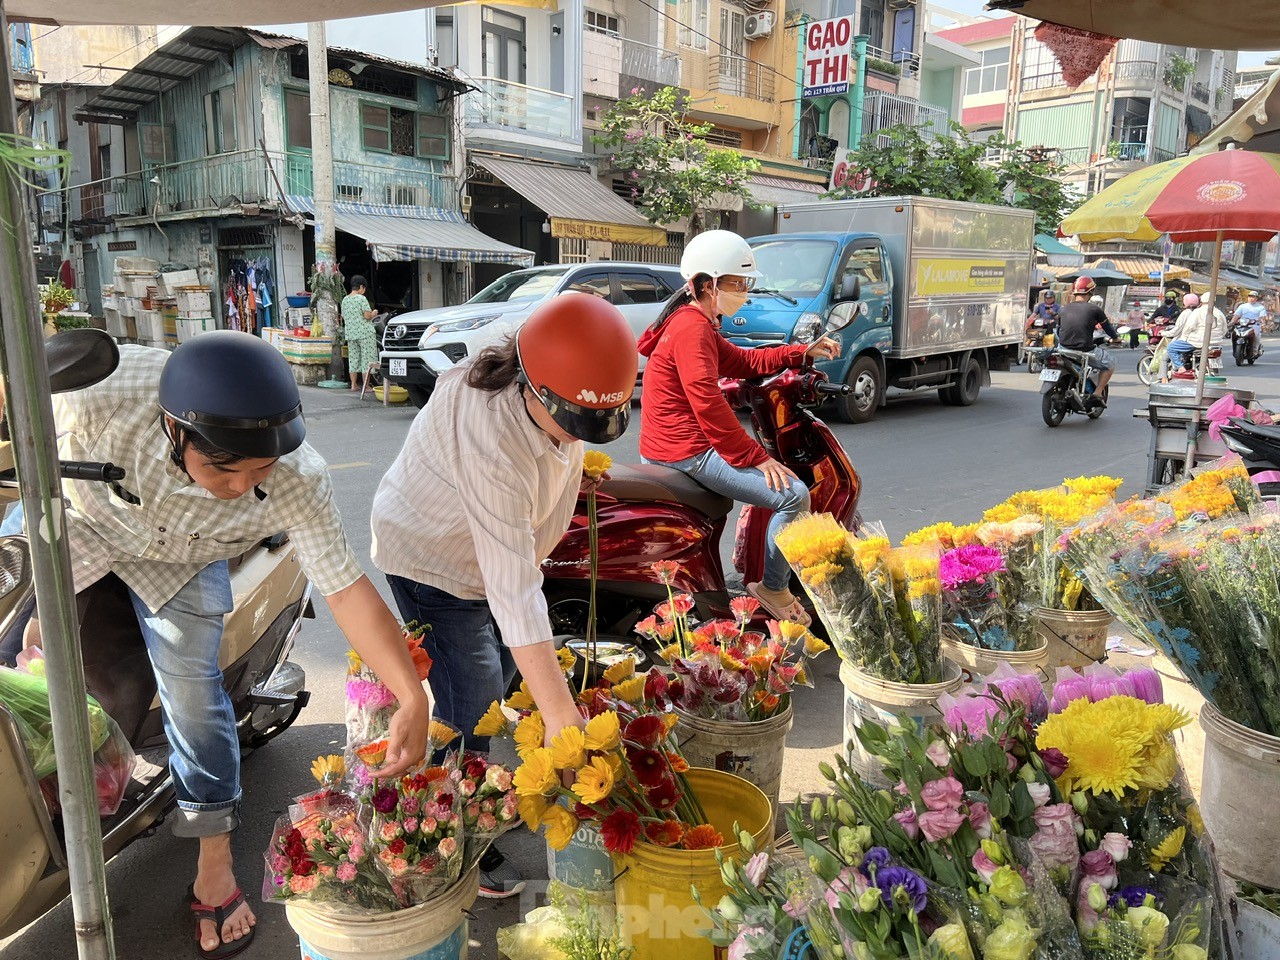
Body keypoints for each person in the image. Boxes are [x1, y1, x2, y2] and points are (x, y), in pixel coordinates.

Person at [1, 332, 430, 959]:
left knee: (193, 700)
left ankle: (215, 864)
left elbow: (343, 586)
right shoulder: (101, 396)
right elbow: (22, 400)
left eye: (260, 471)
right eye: (223, 469)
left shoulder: (298, 477)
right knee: (16, 656)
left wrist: (410, 694)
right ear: (175, 433)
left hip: (183, 561)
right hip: (86, 526)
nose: (241, 488)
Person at [370, 293, 637, 899]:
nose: (576, 438)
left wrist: (573, 458)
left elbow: (518, 576)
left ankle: (474, 793)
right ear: (532, 390)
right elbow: (512, 591)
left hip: (499, 554)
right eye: (569, 423)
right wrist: (563, 716)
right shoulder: (490, 424)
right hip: (434, 556)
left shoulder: (555, 343)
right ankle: (456, 836)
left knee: (509, 674)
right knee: (474, 697)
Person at [637, 231, 840, 625]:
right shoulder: (691, 328)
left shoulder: (695, 322)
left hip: (674, 445)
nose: (744, 291)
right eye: (737, 283)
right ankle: (773, 587)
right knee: (794, 495)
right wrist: (756, 457)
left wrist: (801, 352)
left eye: (745, 283)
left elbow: (742, 362)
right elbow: (707, 401)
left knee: (784, 488)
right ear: (706, 285)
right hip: (685, 452)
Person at [1055, 276, 1118, 402]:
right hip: (1084, 350)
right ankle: (1098, 392)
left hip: (1063, 348)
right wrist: (1116, 338)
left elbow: (1058, 330)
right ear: (1091, 292)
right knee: (1110, 364)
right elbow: (1108, 328)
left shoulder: (1063, 309)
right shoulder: (1095, 309)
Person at [1164, 293, 1227, 378]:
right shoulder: (1219, 313)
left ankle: (1180, 368)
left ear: (1201, 301)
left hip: (1198, 342)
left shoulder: (1197, 312)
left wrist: (1184, 338)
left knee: (1171, 347)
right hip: (1216, 344)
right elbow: (1224, 330)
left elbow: (1189, 327)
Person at [341, 275, 378, 392]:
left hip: (351, 334)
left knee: (353, 358)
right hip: (365, 334)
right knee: (367, 359)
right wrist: (374, 313)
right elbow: (367, 316)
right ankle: (366, 386)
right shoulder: (361, 298)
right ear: (361, 287)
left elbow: (343, 316)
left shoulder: (345, 300)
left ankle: (353, 384)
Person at [1233, 290, 1268, 355]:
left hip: (1255, 325)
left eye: (1253, 297)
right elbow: (1236, 315)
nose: (1251, 298)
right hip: (1243, 324)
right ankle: (1235, 349)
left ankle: (1255, 350)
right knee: (1234, 333)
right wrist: (1232, 322)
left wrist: (1261, 321)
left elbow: (1262, 317)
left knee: (1256, 335)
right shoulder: (1242, 306)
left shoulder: (1260, 307)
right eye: (1250, 297)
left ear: (1256, 298)